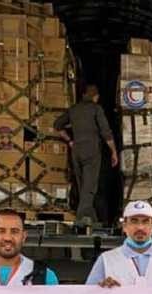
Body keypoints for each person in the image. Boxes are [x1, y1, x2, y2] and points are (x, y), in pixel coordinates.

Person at [54, 84, 119, 226]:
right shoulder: (96, 109)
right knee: (89, 186)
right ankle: (82, 217)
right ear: (95, 97)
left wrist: (69, 141)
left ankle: (91, 215)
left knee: (82, 184)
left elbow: (57, 125)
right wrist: (113, 151)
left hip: (76, 150)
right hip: (92, 150)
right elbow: (106, 132)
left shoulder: (74, 109)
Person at [85, 200, 152, 287]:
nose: (140, 227)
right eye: (134, 221)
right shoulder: (106, 260)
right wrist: (100, 289)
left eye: (145, 221)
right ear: (124, 226)